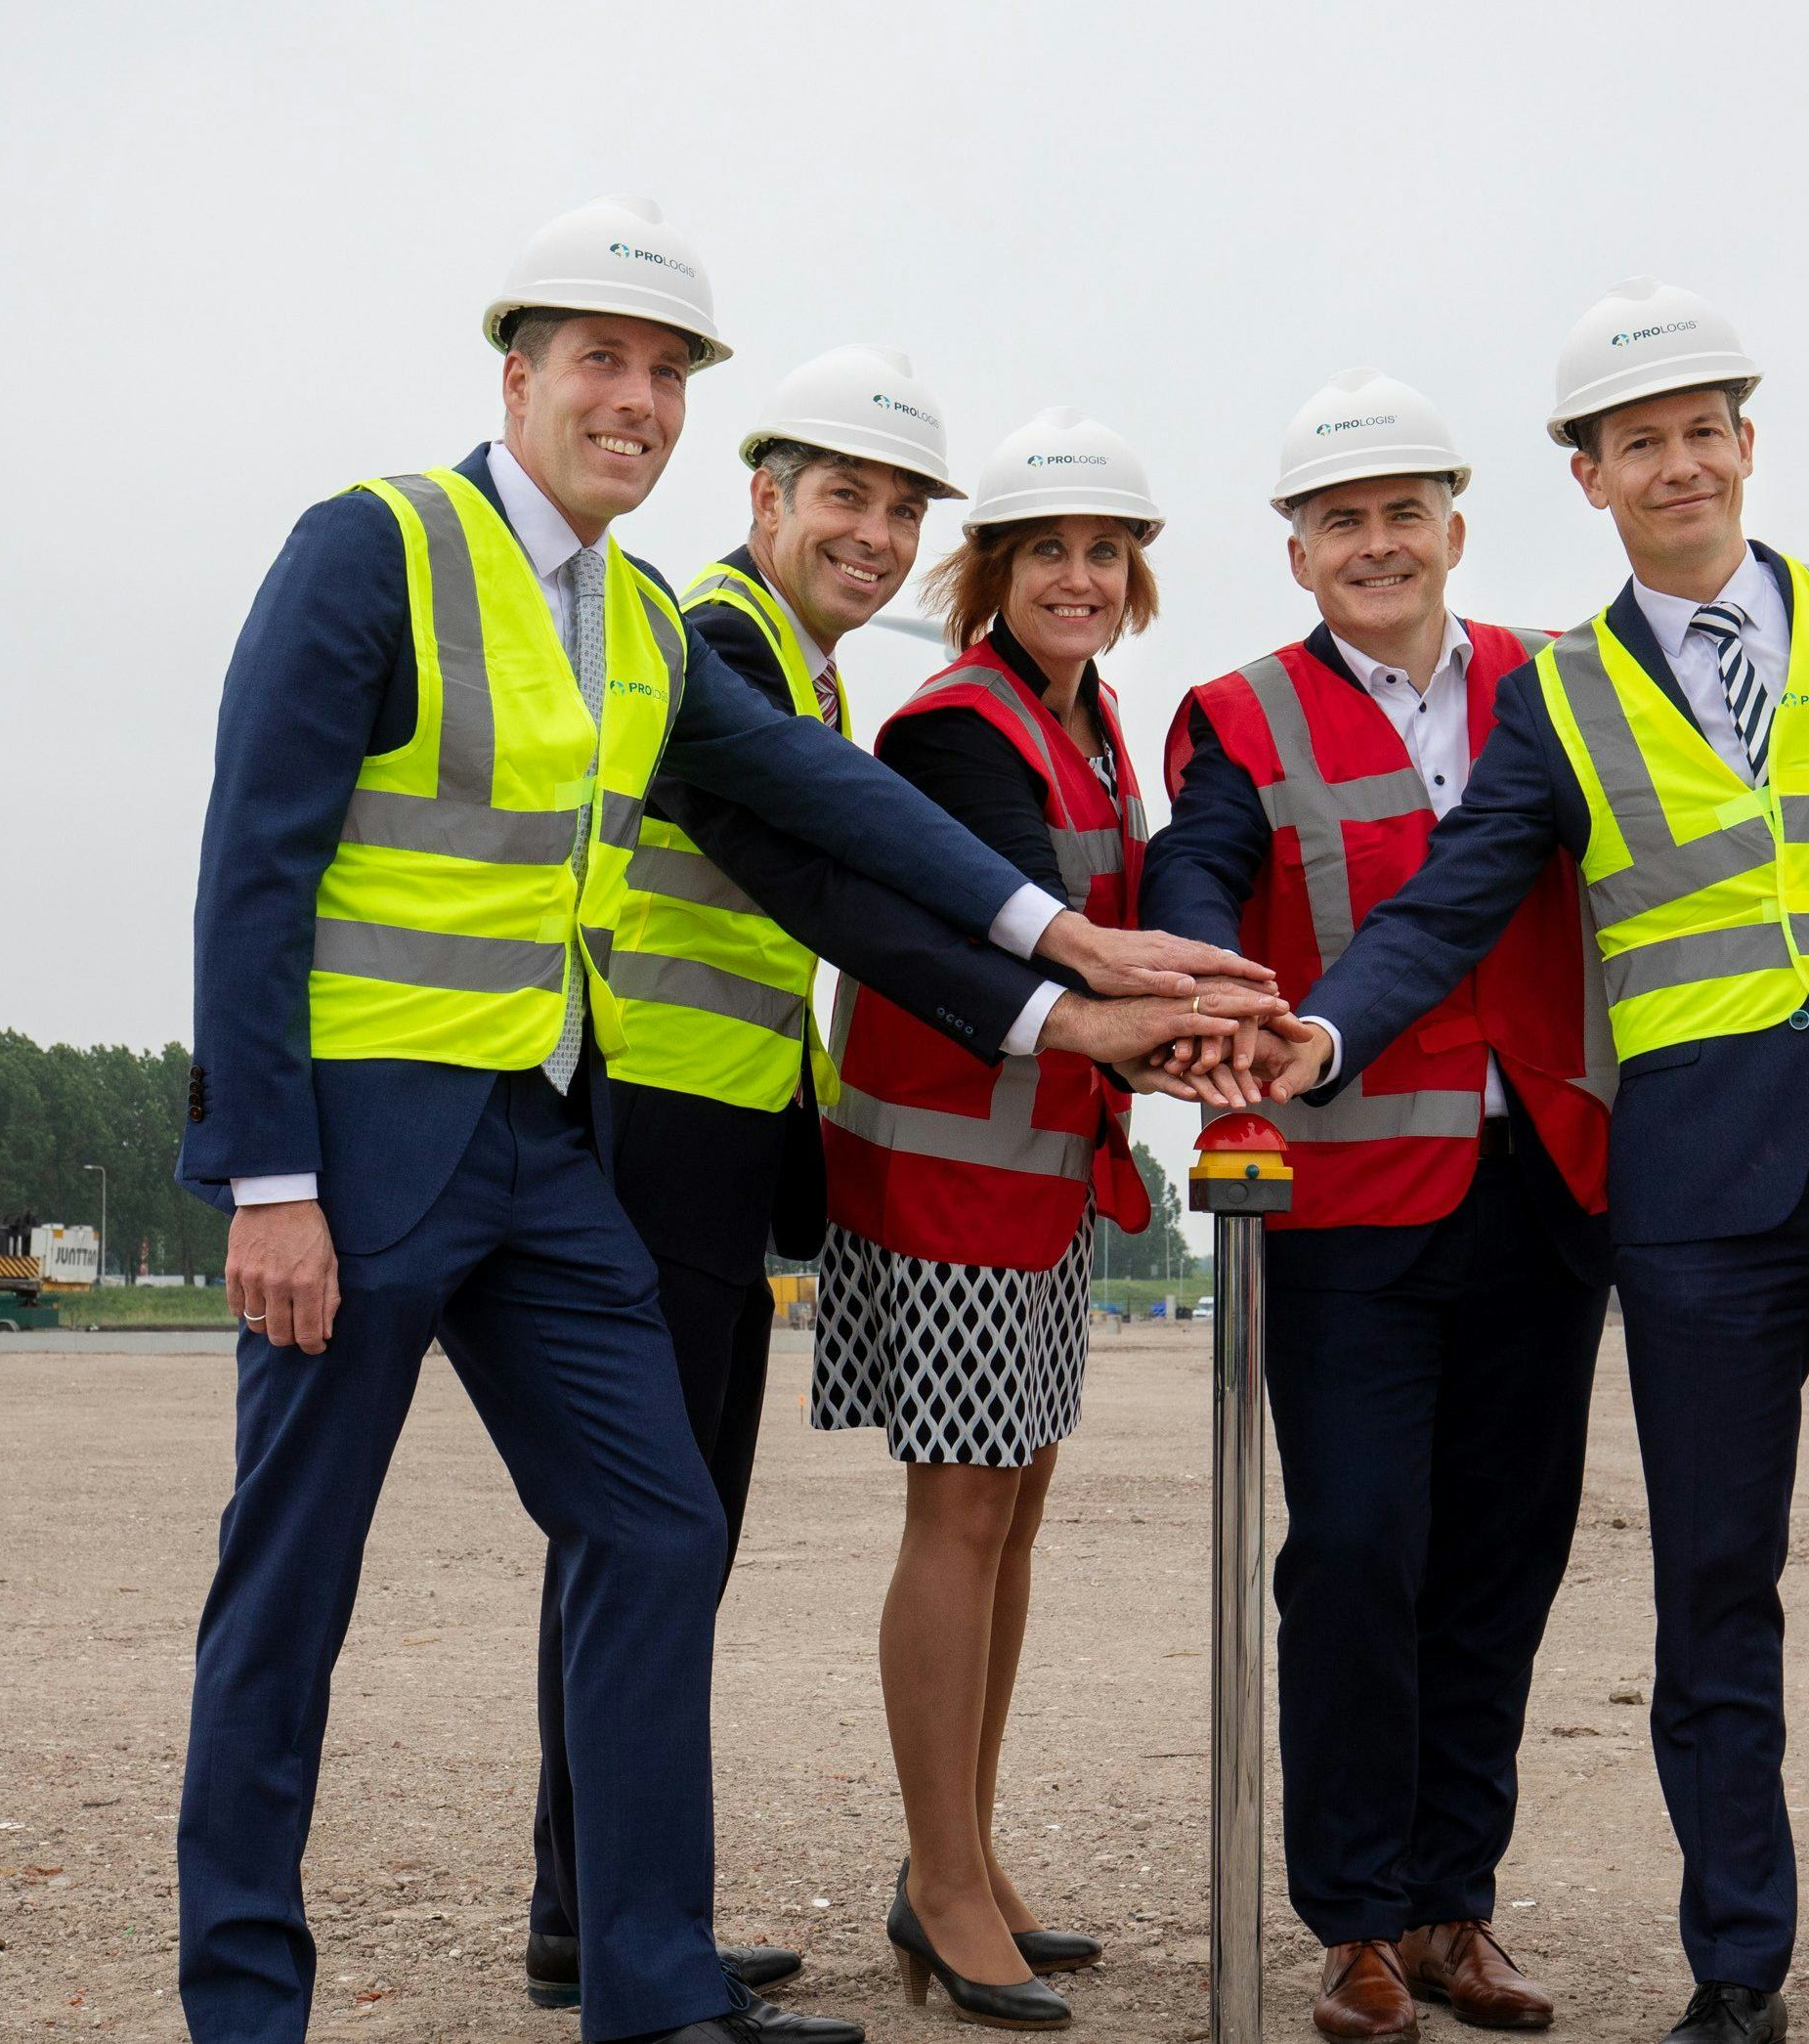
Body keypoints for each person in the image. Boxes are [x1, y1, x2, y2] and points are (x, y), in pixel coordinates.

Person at [175, 198, 1260, 2044]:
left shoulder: (634, 625)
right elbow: (250, 872)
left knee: (662, 1527)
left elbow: (831, 813)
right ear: (516, 377)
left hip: (540, 1141)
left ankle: (648, 1984)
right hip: (359, 1155)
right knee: (292, 1586)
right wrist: (266, 1180)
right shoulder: (378, 547)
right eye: (601, 360)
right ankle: (244, 2009)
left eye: (666, 371)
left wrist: (1063, 942)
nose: (636, 398)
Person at [1235, 281, 1809, 2044]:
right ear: (1587, 477)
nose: (1677, 465)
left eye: (1701, 431)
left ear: (1746, 442)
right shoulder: (1559, 696)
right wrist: (1326, 1037)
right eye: (1636, 442)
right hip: (1704, 1197)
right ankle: (1738, 1972)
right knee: (1714, 1591)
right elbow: (1449, 908)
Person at [1135, 370, 1615, 2042]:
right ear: (1298, 553)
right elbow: (1195, 867)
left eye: (1406, 512)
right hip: (1344, 1203)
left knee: (1502, 1558)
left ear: (1455, 530)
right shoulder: (1239, 712)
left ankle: (1447, 1905)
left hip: (1545, 1186)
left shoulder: (1565, 683)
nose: (1378, 544)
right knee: (1353, 1552)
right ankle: (1349, 1919)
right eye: (1342, 521)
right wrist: (1209, 985)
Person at [516, 342, 974, 2017]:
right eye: (845, 494)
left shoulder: (795, 662)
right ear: (765, 497)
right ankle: (616, 1924)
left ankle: (601, 1909)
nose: (876, 534)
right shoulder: (714, 639)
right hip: (655, 1134)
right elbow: (818, 874)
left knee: (658, 1546)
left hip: (709, 1142)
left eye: (903, 510)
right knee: (652, 1545)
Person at [813, 407, 1234, 2032]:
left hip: (1038, 1179)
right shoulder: (954, 731)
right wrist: (1189, 1027)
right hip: (948, 1187)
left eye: (1105, 552)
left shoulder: (1096, 720)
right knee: (963, 1518)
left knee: (1016, 1513)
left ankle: (968, 1859)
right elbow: (1033, 936)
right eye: (1048, 550)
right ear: (990, 569)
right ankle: (939, 1882)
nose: (1080, 576)